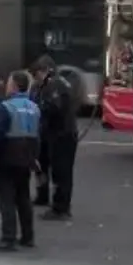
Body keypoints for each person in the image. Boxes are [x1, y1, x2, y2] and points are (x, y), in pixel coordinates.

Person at [0, 70, 40, 252]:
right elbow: (38, 136)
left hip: (7, 158)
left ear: (14, 86)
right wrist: (35, 159)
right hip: (26, 158)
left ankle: (8, 238)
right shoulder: (34, 108)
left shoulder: (5, 107)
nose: (6, 85)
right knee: (24, 198)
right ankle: (28, 237)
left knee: (7, 200)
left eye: (9, 82)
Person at [29, 56, 77, 221]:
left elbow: (54, 108)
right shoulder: (59, 82)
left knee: (61, 171)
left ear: (45, 71)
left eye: (37, 75)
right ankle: (54, 202)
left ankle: (60, 208)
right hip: (61, 132)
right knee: (57, 169)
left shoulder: (54, 84)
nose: (37, 80)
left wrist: (38, 109)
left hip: (61, 134)